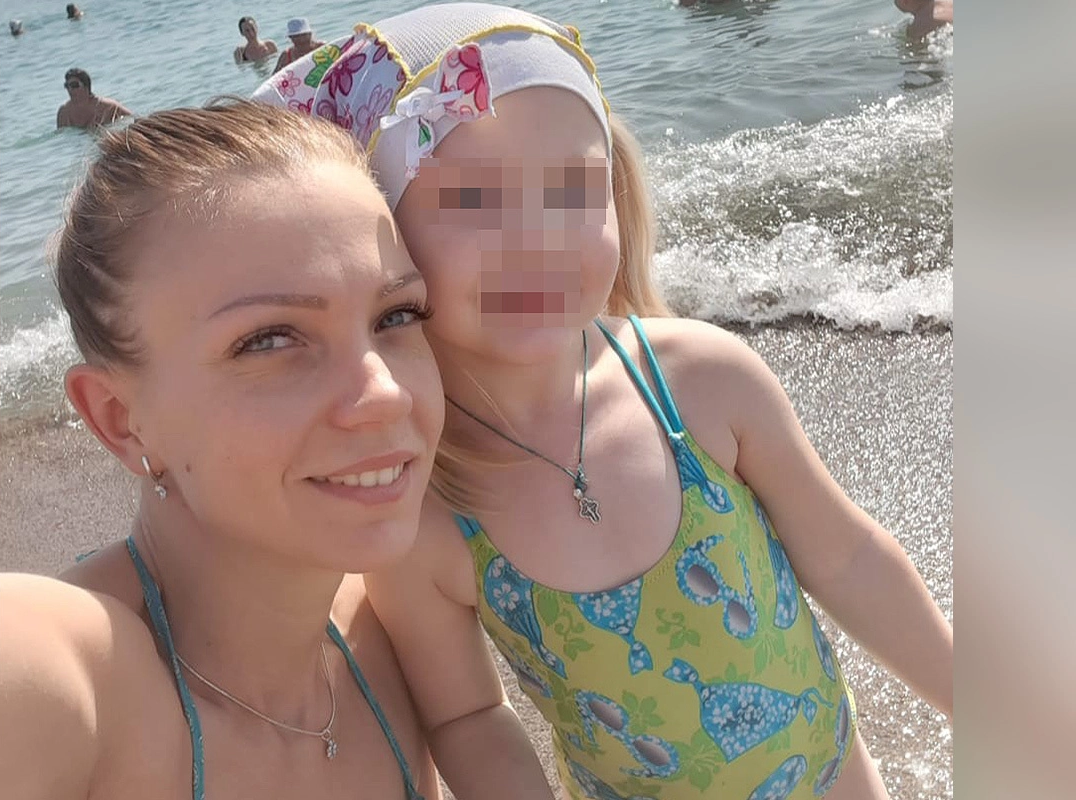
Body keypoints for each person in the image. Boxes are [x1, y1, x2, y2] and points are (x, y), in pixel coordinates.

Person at [256, 4, 954, 799]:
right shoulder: (429, 509)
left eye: (572, 190)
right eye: (476, 199)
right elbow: (468, 717)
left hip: (835, 775)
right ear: (384, 238)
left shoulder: (702, 381)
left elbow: (847, 558)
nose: (538, 238)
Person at [0, 100, 444, 800]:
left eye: (397, 315)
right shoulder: (71, 674)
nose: (386, 394)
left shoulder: (402, 621)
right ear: (120, 419)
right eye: (268, 339)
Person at [56, 68, 132, 130]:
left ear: (86, 86)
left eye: (74, 85)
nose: (70, 89)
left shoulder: (108, 106)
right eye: (67, 86)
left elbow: (133, 119)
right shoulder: (64, 112)